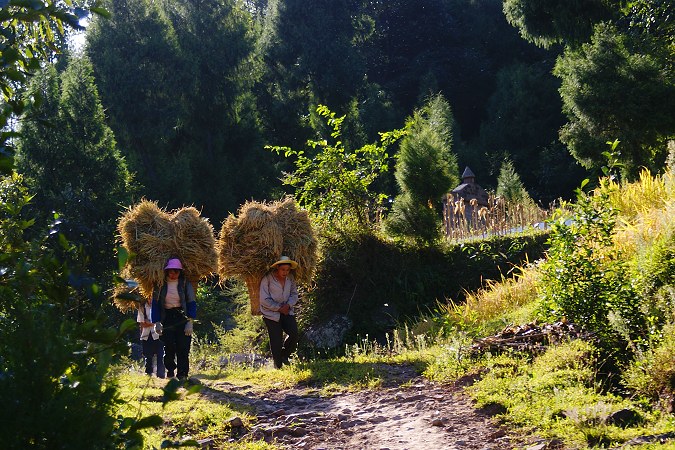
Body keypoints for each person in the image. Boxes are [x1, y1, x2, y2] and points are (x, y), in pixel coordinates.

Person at [151, 257, 197, 380]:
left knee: (183, 347)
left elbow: (191, 302)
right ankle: (170, 371)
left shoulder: (185, 284)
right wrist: (157, 322)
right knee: (169, 346)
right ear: (166, 271)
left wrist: (190, 321)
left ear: (180, 272)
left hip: (182, 317)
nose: (173, 274)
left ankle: (183, 374)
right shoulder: (160, 285)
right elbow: (155, 304)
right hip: (167, 317)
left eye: (176, 271)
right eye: (170, 271)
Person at [260, 255, 300, 369]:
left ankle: (284, 355)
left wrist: (288, 305)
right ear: (277, 268)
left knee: (294, 334)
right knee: (276, 340)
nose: (285, 272)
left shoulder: (290, 278)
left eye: (287, 270)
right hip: (271, 314)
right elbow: (264, 299)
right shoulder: (267, 279)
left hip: (287, 311)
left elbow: (294, 294)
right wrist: (278, 308)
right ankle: (278, 366)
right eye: (283, 269)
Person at [137, 297, 165, 378]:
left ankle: (161, 375)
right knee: (148, 356)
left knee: (160, 355)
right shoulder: (142, 308)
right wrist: (154, 323)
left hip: (158, 334)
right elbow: (142, 323)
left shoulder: (159, 307)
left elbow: (162, 321)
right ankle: (148, 374)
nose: (150, 299)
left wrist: (149, 322)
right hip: (146, 335)